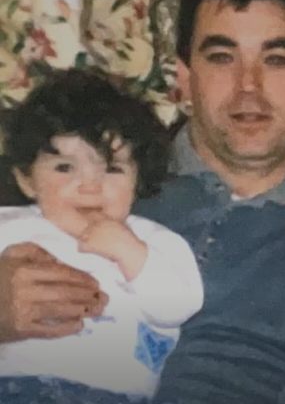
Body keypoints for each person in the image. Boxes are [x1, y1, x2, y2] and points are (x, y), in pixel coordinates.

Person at [0, 0, 285, 404]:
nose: (248, 87)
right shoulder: (74, 181)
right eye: (221, 58)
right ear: (184, 77)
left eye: (276, 60)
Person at [0, 69, 203, 398]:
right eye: (65, 167)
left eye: (112, 169)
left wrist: (130, 253)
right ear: (25, 179)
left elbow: (180, 305)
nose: (91, 186)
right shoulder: (10, 225)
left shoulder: (150, 241)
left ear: (138, 180)